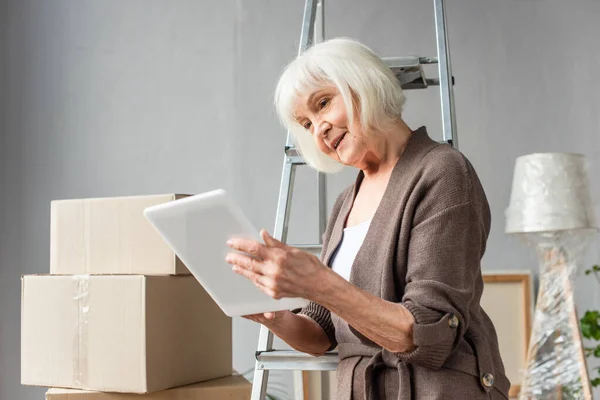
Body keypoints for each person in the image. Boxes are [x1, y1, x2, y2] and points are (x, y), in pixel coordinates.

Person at [225, 37, 510, 399]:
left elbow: (428, 335)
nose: (319, 129)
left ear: (362, 82)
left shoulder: (442, 171)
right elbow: (322, 333)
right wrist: (276, 317)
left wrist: (318, 281)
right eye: (307, 123)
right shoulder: (345, 201)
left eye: (323, 103)